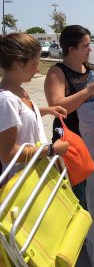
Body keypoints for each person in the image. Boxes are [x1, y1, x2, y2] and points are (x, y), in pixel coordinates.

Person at [44, 25, 94, 266]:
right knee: (78, 197)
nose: (90, 49)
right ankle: (77, 248)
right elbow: (58, 106)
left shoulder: (92, 69)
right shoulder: (58, 72)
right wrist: (88, 91)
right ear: (71, 48)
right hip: (74, 146)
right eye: (85, 45)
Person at [0, 33, 68, 181]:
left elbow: (21, 118)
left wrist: (46, 110)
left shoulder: (19, 90)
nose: (37, 69)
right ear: (18, 63)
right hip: (20, 182)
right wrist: (51, 150)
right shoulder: (6, 100)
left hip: (33, 175)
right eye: (34, 64)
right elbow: (8, 154)